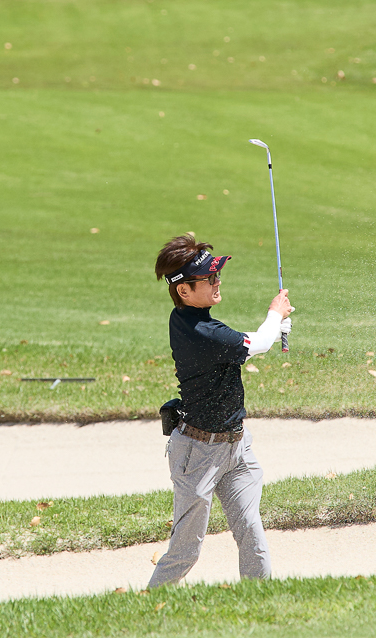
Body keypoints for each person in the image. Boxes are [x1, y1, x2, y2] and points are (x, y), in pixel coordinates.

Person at [148, 234, 293, 588]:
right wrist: (275, 316)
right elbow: (254, 342)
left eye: (217, 275)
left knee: (252, 534)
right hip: (198, 454)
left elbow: (243, 342)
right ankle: (149, 606)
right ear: (184, 290)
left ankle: (259, 601)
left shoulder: (189, 320)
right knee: (186, 550)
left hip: (236, 448)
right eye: (209, 278)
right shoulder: (202, 331)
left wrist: (274, 328)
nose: (217, 281)